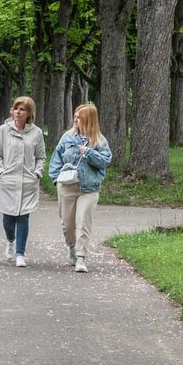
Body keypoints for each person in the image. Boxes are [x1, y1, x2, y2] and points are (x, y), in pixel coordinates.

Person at [48, 103, 112, 273]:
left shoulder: (99, 140)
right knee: (67, 225)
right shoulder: (67, 137)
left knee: (83, 222)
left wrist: (89, 152)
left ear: (89, 119)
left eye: (79, 117)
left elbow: (105, 161)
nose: (76, 120)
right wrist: (56, 180)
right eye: (75, 116)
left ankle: (81, 257)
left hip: (89, 188)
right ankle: (71, 248)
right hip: (67, 187)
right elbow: (56, 159)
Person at [0, 96, 45, 268]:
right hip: (8, 180)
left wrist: (37, 173)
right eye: (16, 108)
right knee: (8, 217)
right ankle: (10, 240)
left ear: (29, 113)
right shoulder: (3, 130)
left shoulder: (36, 132)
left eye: (22, 109)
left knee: (23, 217)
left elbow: (41, 157)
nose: (18, 112)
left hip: (28, 181)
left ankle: (20, 253)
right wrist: (1, 171)